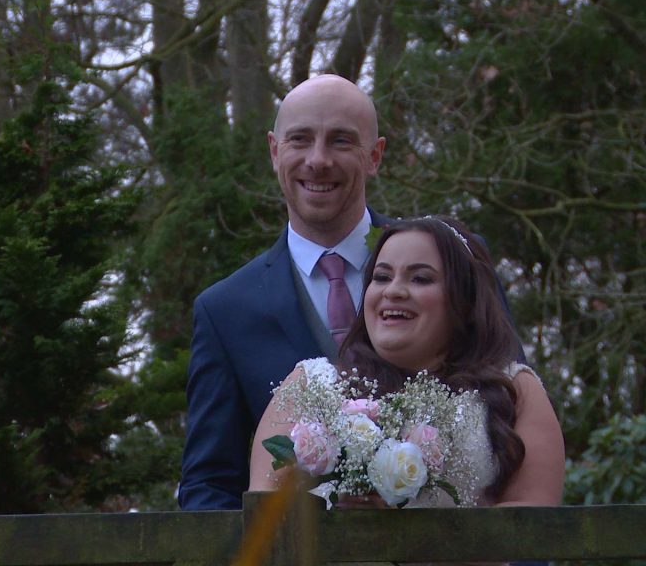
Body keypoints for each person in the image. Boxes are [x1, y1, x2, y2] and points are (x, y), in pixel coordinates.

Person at [178, 73, 391, 510]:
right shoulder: (225, 311)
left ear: (375, 156)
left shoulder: (448, 266)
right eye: (300, 139)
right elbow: (210, 486)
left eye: (341, 141)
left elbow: (509, 430)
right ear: (275, 151)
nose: (318, 160)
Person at [248, 216, 565, 508]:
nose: (394, 291)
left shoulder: (514, 389)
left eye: (420, 279)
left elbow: (531, 524)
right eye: (382, 277)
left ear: (465, 300)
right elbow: (266, 517)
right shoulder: (310, 385)